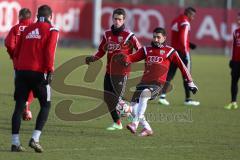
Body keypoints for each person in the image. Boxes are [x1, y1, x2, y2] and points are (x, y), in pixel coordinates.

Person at [116, 27, 198, 136]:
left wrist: (190, 82)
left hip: (157, 84)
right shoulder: (146, 50)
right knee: (134, 108)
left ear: (164, 38)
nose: (156, 39)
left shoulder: (170, 51)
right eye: (154, 37)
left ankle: (134, 124)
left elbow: (182, 66)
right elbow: (132, 58)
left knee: (144, 96)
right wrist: (124, 59)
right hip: (143, 83)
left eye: (158, 37)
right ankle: (147, 128)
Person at [11, 5, 59, 152]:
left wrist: (20, 68)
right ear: (51, 16)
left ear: (38, 16)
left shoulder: (27, 29)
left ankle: (15, 143)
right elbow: (49, 52)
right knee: (46, 105)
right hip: (38, 72)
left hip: (21, 72)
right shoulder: (52, 30)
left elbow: (17, 52)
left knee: (19, 107)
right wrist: (50, 70)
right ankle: (35, 139)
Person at [85, 8, 141, 131]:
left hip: (121, 73)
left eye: (119, 19)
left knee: (117, 100)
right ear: (112, 18)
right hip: (109, 71)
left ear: (124, 20)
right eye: (115, 18)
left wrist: (128, 58)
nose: (117, 21)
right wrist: (93, 58)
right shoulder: (107, 34)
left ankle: (133, 114)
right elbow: (101, 50)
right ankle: (117, 122)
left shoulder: (129, 35)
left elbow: (140, 51)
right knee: (108, 99)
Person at [158, 7, 200, 106]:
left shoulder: (176, 20)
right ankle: (188, 99)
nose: (193, 18)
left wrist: (189, 44)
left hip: (173, 51)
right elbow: (182, 39)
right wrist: (186, 52)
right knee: (187, 75)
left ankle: (162, 96)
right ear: (188, 14)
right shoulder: (185, 23)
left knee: (170, 74)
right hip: (182, 52)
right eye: (192, 16)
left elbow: (178, 38)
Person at [5, 8, 34, 121]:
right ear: (30, 17)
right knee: (34, 86)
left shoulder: (15, 28)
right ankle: (27, 106)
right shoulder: (35, 28)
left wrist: (14, 56)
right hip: (34, 63)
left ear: (21, 16)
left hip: (19, 64)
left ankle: (24, 108)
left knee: (21, 87)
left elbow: (9, 44)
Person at [224, 13, 240, 110]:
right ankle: (233, 102)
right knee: (234, 81)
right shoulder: (236, 32)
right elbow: (234, 47)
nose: (238, 20)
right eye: (238, 18)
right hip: (236, 62)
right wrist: (232, 60)